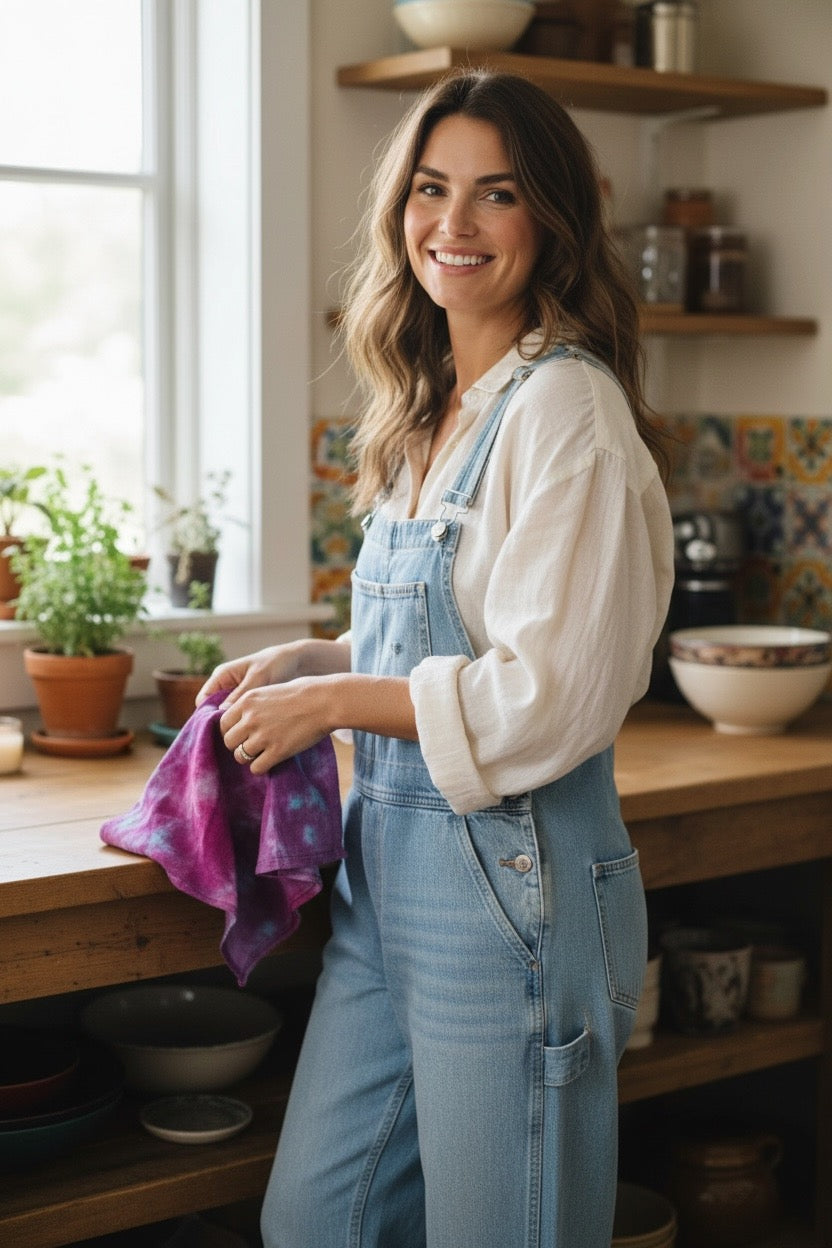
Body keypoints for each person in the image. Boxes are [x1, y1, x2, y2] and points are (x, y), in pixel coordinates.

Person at [198, 69, 674, 1248]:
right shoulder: (437, 406)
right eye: (430, 189)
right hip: (389, 892)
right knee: (316, 1220)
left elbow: (548, 694)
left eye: (495, 195)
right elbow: (453, 626)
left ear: (550, 220)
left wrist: (339, 702)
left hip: (517, 896)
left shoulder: (569, 412)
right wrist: (312, 660)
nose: (451, 226)